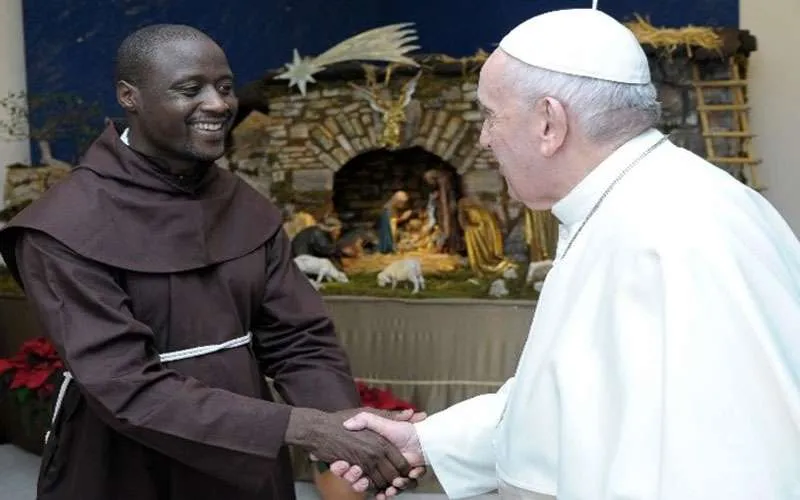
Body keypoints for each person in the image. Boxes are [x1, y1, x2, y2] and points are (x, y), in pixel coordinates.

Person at [330, 8, 800, 500]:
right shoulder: (623, 206)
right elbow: (569, 400)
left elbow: (735, 466)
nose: (484, 138)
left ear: (550, 123)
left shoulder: (677, 234)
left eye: (491, 115)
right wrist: (426, 441)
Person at [0, 24, 423, 500]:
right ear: (129, 97)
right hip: (124, 462)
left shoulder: (245, 205)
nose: (219, 103)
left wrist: (345, 425)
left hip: (246, 454)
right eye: (190, 89)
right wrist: (304, 427)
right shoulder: (62, 225)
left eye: (224, 87)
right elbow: (124, 385)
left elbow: (298, 338)